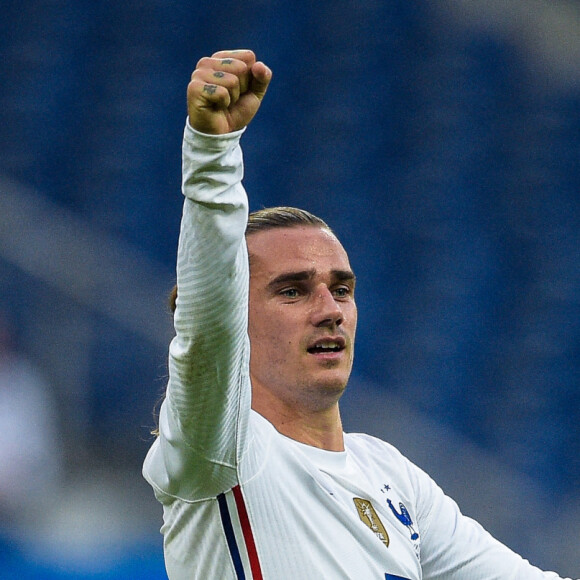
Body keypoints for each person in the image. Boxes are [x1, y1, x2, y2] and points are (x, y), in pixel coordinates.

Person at [143, 49, 577, 579]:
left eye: (342, 289)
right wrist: (211, 153)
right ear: (236, 320)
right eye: (293, 292)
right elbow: (206, 330)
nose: (330, 311)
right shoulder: (224, 453)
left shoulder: (389, 473)